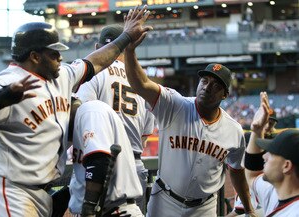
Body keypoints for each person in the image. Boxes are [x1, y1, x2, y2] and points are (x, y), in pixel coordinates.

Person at [0, 5, 151, 217]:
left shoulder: (62, 76)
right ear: (35, 57)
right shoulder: (6, 82)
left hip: (43, 194)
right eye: (54, 53)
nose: (60, 57)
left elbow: (96, 61)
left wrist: (125, 37)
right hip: (11, 190)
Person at [124, 37, 255, 217]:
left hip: (204, 207)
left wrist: (249, 209)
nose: (207, 87)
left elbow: (237, 171)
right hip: (164, 200)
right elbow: (142, 84)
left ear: (224, 95)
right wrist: (130, 51)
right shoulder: (174, 105)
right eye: (205, 81)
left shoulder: (234, 130)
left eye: (215, 85)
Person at [75, 23, 155, 213]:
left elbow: (83, 117)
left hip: (103, 167)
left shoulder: (93, 74)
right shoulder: (141, 79)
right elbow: (145, 135)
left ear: (97, 48)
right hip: (135, 167)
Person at [68, 99, 144, 216]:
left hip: (114, 211)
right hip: (106, 210)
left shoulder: (89, 111)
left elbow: (99, 161)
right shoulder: (81, 122)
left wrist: (88, 208)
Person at [245, 91, 299, 216]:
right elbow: (252, 175)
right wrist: (257, 130)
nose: (264, 156)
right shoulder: (275, 191)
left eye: (272, 153)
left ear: (286, 166)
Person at [226, 107, 279, 216]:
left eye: (272, 123)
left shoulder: (276, 140)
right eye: (267, 122)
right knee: (243, 210)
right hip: (249, 182)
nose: (268, 126)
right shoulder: (249, 137)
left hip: (267, 184)